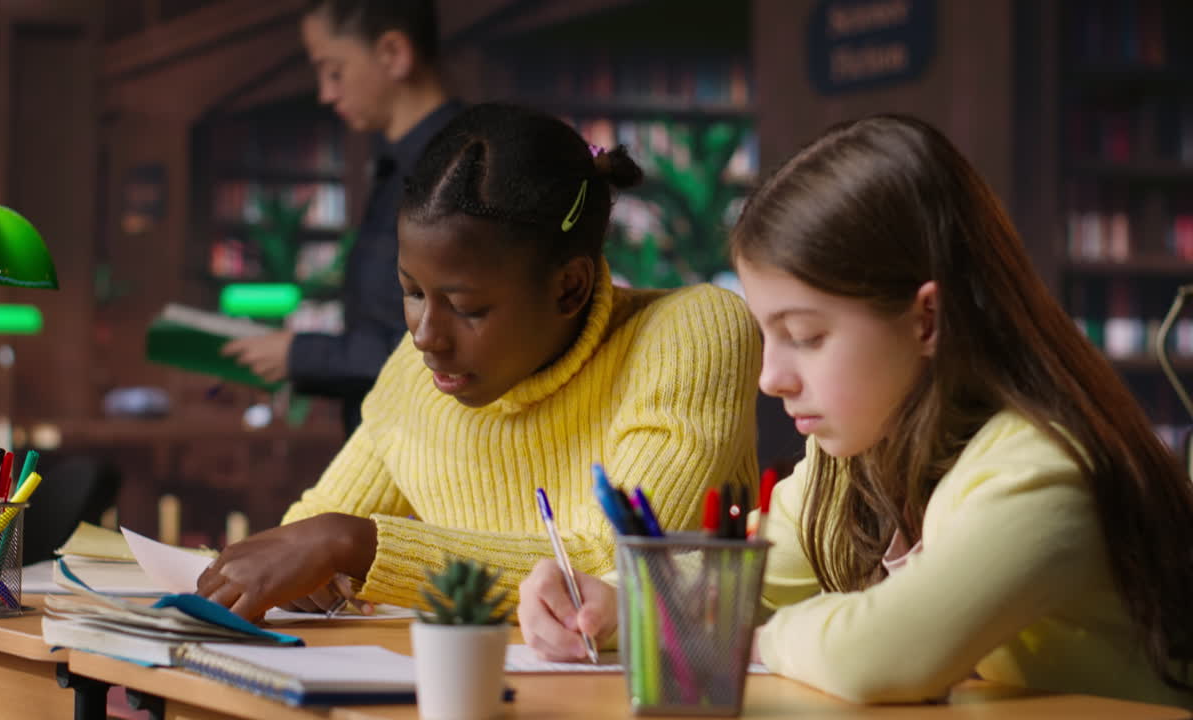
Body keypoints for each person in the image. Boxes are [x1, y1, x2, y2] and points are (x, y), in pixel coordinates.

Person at [517, 114, 1193, 707]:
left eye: (806, 336)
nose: (771, 379)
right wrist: (609, 601)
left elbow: (884, 653)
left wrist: (743, 638)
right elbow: (743, 577)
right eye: (768, 334)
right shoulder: (858, 455)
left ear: (927, 318)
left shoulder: (1043, 468)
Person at [196, 103, 762, 621]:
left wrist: (356, 547)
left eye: (466, 307)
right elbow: (312, 527)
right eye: (413, 292)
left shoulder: (689, 335)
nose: (424, 336)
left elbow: (609, 563)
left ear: (569, 287)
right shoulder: (417, 373)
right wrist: (300, 569)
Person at [222, 0, 463, 432]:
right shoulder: (399, 166)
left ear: (393, 53)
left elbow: (454, 344)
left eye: (334, 71)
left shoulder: (455, 167)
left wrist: (301, 356)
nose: (326, 93)